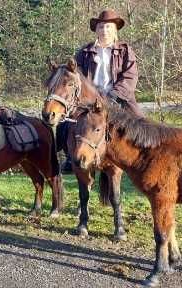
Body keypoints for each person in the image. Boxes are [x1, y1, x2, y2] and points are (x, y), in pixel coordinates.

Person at [60, 9, 144, 173]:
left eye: (108, 27)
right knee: (65, 125)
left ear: (115, 30)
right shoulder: (85, 52)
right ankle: (70, 157)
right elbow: (77, 75)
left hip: (117, 99)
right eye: (101, 27)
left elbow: (130, 76)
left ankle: (140, 162)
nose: (104, 30)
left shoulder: (125, 51)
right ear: (96, 30)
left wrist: (114, 95)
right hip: (89, 101)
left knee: (141, 125)